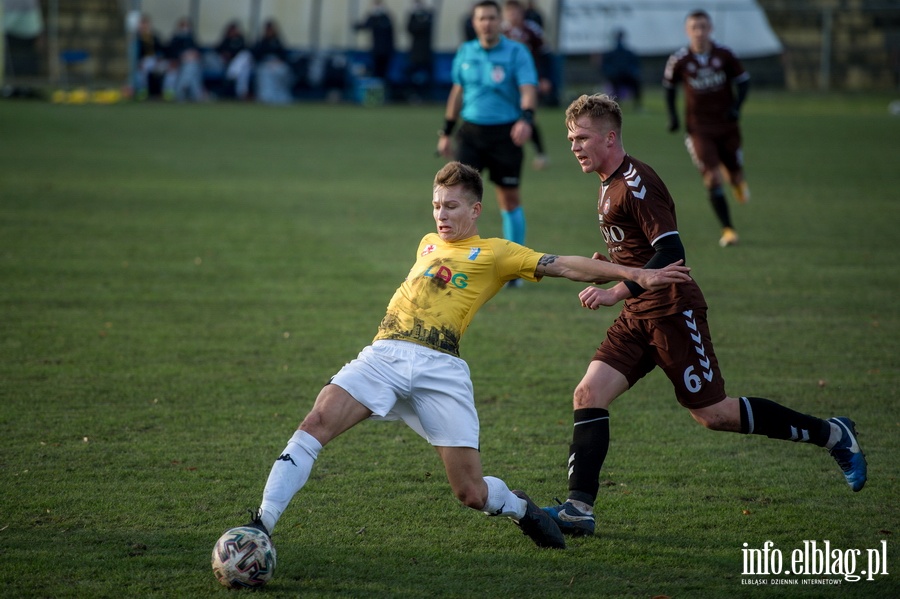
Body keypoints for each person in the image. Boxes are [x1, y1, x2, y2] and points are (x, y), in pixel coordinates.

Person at [238, 161, 694, 557]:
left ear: (475, 209)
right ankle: (262, 524)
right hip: (384, 354)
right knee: (316, 421)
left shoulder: (497, 252)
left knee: (471, 493)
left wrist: (633, 273)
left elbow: (564, 264)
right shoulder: (426, 244)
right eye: (437, 205)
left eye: (452, 206)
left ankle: (519, 508)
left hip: (441, 370)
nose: (442, 214)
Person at [539, 94, 867, 538]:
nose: (574, 147)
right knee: (588, 394)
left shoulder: (637, 182)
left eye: (581, 138)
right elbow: (639, 250)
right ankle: (578, 509)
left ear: (610, 137)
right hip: (639, 313)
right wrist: (615, 263)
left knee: (713, 414)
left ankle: (832, 435)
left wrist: (616, 288)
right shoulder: (607, 181)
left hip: (673, 311)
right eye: (570, 139)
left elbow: (672, 252)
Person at [437, 0, 537, 286]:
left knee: (508, 199)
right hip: (470, 134)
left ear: (499, 21)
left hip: (506, 134)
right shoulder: (466, 52)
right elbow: (457, 92)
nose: (487, 23)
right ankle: (458, 261)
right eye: (482, 19)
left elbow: (528, 89)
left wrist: (526, 119)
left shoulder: (517, 52)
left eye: (492, 18)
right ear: (474, 22)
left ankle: (514, 271)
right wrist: (446, 131)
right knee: (457, 198)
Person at [663, 9, 751, 248]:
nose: (700, 32)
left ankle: (737, 182)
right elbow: (669, 88)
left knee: (735, 173)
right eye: (695, 28)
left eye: (703, 27)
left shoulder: (725, 55)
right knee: (712, 177)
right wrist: (672, 117)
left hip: (727, 126)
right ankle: (728, 229)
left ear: (710, 29)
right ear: (687, 31)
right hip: (699, 129)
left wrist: (736, 108)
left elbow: (743, 82)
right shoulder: (679, 60)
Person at [502, 0, 551, 170]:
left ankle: (540, 153)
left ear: (521, 13)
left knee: (527, 116)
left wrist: (543, 77)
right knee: (508, 116)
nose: (512, 16)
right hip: (508, 84)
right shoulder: (502, 32)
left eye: (515, 12)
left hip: (528, 81)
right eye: (509, 12)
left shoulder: (531, 30)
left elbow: (544, 54)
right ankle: (508, 151)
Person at [600, 29, 641, 111]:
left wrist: (633, 72)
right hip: (615, 76)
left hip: (627, 75)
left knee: (636, 83)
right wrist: (611, 73)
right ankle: (616, 106)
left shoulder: (628, 53)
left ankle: (637, 106)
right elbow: (604, 66)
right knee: (615, 85)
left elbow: (635, 64)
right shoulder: (611, 53)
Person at [165, 17, 205, 102]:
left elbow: (198, 49)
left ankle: (182, 93)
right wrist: (182, 57)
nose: (185, 28)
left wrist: (194, 54)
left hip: (193, 62)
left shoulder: (191, 37)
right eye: (183, 25)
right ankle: (195, 94)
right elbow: (171, 52)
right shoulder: (175, 38)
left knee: (191, 67)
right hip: (179, 62)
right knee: (190, 68)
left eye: (187, 25)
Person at [354, 0, 395, 80]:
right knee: (376, 71)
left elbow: (386, 29)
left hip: (386, 50)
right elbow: (365, 25)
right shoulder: (373, 18)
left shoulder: (386, 18)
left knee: (384, 72)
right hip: (376, 50)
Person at [405, 0, 434, 102]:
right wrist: (413, 15)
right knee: (413, 76)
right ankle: (414, 95)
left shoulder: (428, 16)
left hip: (426, 53)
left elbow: (427, 28)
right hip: (415, 53)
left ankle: (425, 96)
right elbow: (410, 29)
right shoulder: (413, 17)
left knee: (426, 76)